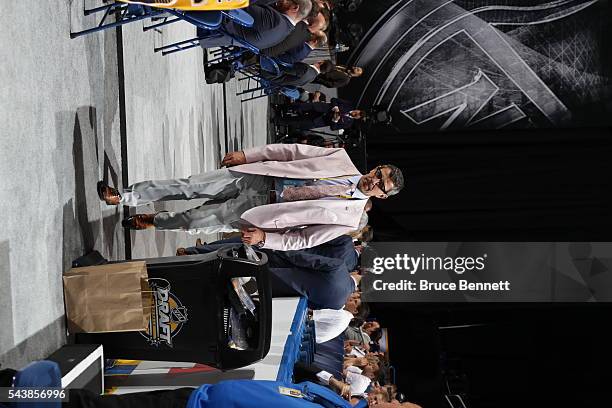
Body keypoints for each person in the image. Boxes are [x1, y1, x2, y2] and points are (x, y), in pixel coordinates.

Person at [97, 144, 404, 251]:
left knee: (193, 220)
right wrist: (249, 154)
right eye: (379, 172)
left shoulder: (349, 219)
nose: (374, 180)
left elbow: (303, 240)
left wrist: (263, 239)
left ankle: (154, 221)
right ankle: (125, 196)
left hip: (263, 211)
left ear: (384, 196)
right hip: (260, 175)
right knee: (190, 185)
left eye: (381, 185)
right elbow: (292, 151)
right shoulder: (341, 158)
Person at [176, 236, 359, 310]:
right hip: (276, 293)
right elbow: (307, 305)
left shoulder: (340, 268)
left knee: (237, 252)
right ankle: (185, 289)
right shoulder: (337, 304)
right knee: (229, 287)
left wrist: (281, 249)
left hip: (283, 264)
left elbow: (306, 259)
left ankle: (193, 255)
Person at [198, 0, 313, 50]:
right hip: (220, 34)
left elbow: (242, 3)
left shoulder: (274, 21)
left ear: (294, 7)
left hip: (214, 22)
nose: (282, 0)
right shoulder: (285, 30)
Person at [260, 4, 329, 57]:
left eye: (314, 14)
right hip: (268, 52)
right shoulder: (305, 35)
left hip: (262, 47)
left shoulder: (295, 24)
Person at [278, 98, 366, 131]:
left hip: (321, 120)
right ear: (358, 110)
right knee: (301, 106)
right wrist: (335, 107)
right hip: (322, 108)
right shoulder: (349, 104)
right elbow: (334, 99)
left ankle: (280, 120)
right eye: (359, 112)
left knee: (301, 122)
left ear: (358, 118)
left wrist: (334, 120)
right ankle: (281, 107)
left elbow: (333, 128)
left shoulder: (349, 123)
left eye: (359, 116)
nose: (357, 114)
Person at [266, 59, 334, 88]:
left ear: (321, 62)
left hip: (270, 76)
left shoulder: (306, 69)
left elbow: (284, 69)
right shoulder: (312, 78)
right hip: (277, 84)